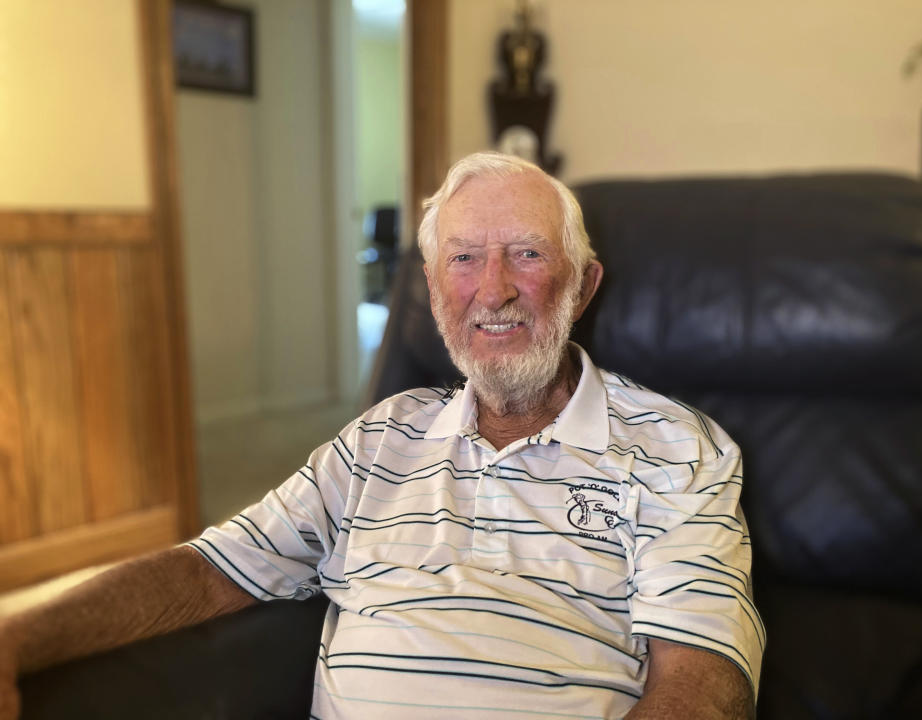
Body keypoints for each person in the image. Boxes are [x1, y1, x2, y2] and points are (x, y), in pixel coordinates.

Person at [0, 152, 764, 720]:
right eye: (462, 259)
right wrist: (17, 639)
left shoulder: (675, 448)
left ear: (583, 283)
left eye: (526, 254)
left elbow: (700, 682)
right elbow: (207, 570)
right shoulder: (378, 440)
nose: (491, 288)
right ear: (433, 294)